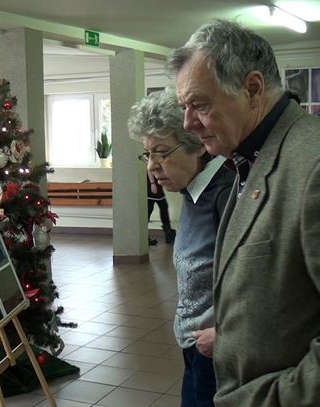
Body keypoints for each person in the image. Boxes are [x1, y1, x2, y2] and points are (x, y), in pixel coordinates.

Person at [168, 19, 320, 406]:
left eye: (199, 105)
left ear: (252, 89)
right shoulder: (251, 155)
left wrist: (277, 399)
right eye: (184, 108)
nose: (189, 123)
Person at [128, 88, 234, 406]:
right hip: (196, 344)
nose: (151, 166)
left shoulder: (226, 193)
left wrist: (226, 332)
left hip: (218, 350)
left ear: (196, 146)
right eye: (147, 154)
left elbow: (260, 278)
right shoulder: (193, 190)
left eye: (161, 153)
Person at [146, 174, 175, 244]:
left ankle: (169, 234)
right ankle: (169, 234)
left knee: (162, 207)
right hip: (152, 183)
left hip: (154, 182)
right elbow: (148, 169)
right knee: (153, 208)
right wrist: (152, 183)